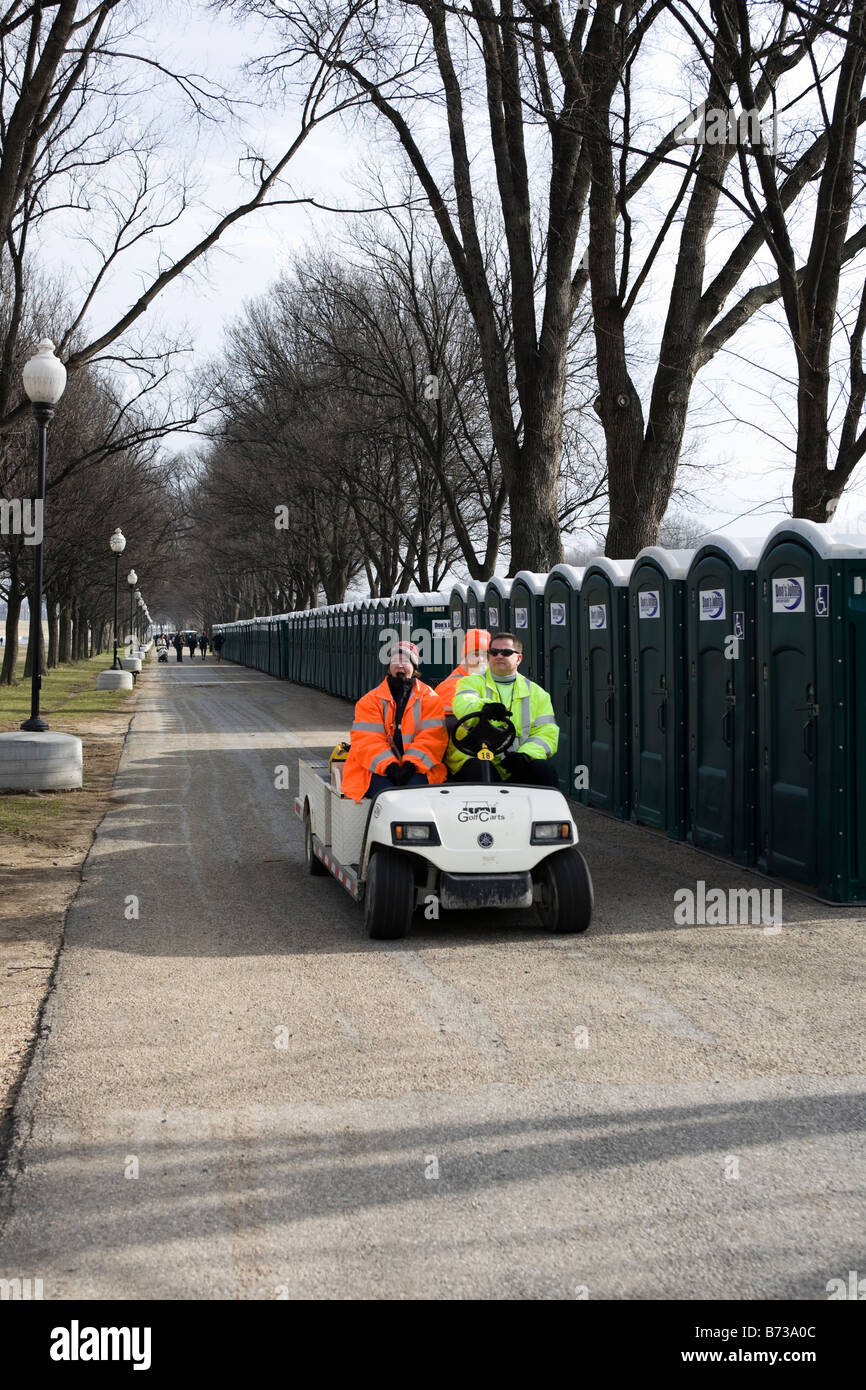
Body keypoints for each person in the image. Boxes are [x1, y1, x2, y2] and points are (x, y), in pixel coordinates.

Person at [448, 631, 560, 787]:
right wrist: (484, 708)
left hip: (516, 759)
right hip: (475, 755)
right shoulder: (470, 682)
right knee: (480, 772)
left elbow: (547, 733)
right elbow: (463, 704)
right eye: (494, 652)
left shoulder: (538, 694)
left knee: (545, 771)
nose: (499, 656)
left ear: (518, 658)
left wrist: (525, 756)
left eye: (506, 652)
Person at [341, 640, 448, 802]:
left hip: (419, 769)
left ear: (414, 667)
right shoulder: (369, 701)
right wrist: (389, 766)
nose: (399, 665)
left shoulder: (431, 699)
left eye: (405, 660)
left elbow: (433, 739)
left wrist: (410, 765)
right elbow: (367, 741)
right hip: (374, 770)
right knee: (388, 798)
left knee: (416, 796)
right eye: (394, 660)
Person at [435, 628, 490, 723]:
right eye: (475, 654)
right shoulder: (451, 687)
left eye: (485, 654)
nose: (481, 659)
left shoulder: (487, 679)